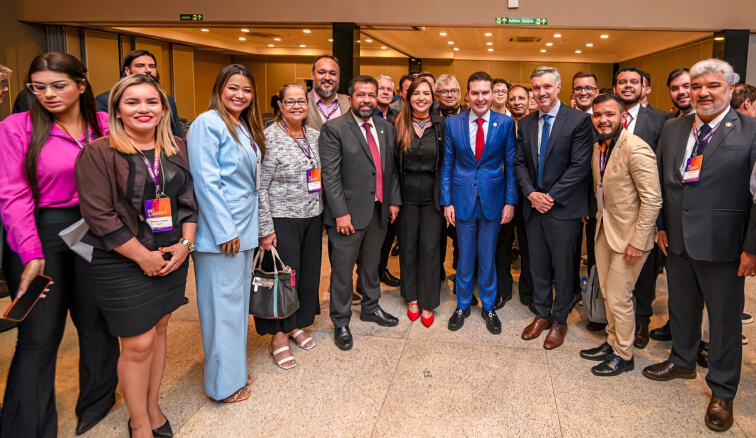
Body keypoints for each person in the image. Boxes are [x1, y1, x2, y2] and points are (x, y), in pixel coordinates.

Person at [0, 52, 119, 438]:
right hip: (41, 231)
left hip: (96, 230)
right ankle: (26, 428)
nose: (48, 94)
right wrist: (30, 253)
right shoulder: (17, 127)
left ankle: (97, 402)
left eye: (58, 85)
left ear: (81, 85)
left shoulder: (103, 124)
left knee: (97, 322)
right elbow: (13, 195)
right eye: (38, 86)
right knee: (38, 335)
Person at [77, 74, 197, 438]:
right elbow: (98, 216)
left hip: (172, 255)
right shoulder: (98, 152)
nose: (143, 109)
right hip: (121, 260)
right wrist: (142, 257)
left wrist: (185, 245)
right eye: (132, 102)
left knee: (160, 330)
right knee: (138, 342)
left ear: (163, 109)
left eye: (151, 102)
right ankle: (139, 422)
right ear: (117, 109)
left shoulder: (177, 146)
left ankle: (153, 406)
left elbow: (190, 201)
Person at [643, 59, 756, 432]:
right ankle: (682, 360)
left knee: (724, 322)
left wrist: (752, 248)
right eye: (696, 86)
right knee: (682, 306)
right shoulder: (674, 129)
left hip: (725, 245)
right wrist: (661, 226)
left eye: (713, 86)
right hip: (676, 238)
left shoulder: (751, 131)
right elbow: (661, 182)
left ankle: (723, 391)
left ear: (730, 89)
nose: (703, 93)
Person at [187, 64, 264, 403]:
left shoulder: (241, 124)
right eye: (233, 88)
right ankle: (222, 386)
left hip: (242, 229)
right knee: (221, 310)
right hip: (223, 234)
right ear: (219, 88)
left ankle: (230, 370)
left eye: (246, 90)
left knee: (234, 306)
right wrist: (224, 230)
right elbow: (206, 181)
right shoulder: (207, 123)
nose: (240, 95)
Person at [578, 93, 662, 376]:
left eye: (610, 114)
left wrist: (638, 242)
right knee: (607, 293)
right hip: (605, 230)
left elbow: (652, 200)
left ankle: (624, 355)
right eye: (598, 115)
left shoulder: (636, 149)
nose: (604, 119)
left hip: (630, 239)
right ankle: (612, 342)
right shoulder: (600, 147)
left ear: (623, 117)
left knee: (618, 296)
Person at [319, 75, 401, 351]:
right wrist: (340, 213)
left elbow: (390, 169)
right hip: (347, 216)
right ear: (350, 98)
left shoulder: (385, 127)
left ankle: (370, 307)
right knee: (342, 272)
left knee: (371, 265)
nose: (367, 100)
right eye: (361, 95)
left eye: (371, 95)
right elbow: (329, 176)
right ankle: (341, 321)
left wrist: (392, 201)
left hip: (378, 210)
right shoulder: (334, 128)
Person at [516, 66, 593, 350]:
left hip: (564, 208)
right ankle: (541, 314)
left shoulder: (579, 120)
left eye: (546, 87)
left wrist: (549, 196)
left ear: (559, 87)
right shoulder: (525, 123)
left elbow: (579, 166)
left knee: (563, 268)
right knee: (537, 264)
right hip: (534, 206)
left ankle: (560, 319)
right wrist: (531, 194)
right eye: (536, 88)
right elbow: (520, 163)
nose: (541, 92)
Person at [442, 71, 517, 334]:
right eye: (475, 93)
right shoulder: (453, 124)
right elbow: (448, 164)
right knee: (465, 256)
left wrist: (510, 202)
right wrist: (446, 201)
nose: (481, 98)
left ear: (492, 94)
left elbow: (511, 166)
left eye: (485, 92)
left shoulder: (505, 123)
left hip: (493, 201)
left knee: (488, 257)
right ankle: (462, 305)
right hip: (461, 199)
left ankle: (488, 306)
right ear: (467, 95)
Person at [256, 83, 323, 369]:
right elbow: (259, 187)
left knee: (307, 275)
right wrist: (265, 229)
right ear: (280, 105)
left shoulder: (315, 136)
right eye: (290, 101)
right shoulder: (269, 138)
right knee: (286, 279)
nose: (296, 106)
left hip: (313, 216)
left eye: (301, 101)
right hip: (282, 219)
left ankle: (296, 325)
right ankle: (279, 338)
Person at [612, 66, 668, 349]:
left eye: (634, 82)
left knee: (644, 270)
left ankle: (642, 320)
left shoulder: (660, 120)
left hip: (644, 208)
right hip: (611, 210)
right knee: (614, 270)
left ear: (645, 88)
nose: (628, 86)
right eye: (622, 82)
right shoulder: (605, 118)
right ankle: (614, 324)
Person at [395, 78, 446, 327]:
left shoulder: (441, 125)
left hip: (432, 199)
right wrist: (394, 200)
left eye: (426, 93)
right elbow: (392, 167)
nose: (421, 98)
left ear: (433, 97)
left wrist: (447, 201)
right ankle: (411, 297)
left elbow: (447, 164)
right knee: (407, 248)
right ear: (409, 96)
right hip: (405, 199)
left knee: (430, 249)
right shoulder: (397, 124)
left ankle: (428, 300)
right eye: (417, 93)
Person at [572, 71, 602, 330]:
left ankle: (598, 306)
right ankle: (576, 293)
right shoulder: (569, 120)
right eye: (578, 88)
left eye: (588, 88)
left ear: (596, 91)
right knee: (576, 251)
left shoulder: (604, 118)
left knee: (600, 257)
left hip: (606, 202)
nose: (583, 92)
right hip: (575, 200)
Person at [95, 50, 183, 138]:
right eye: (140, 66)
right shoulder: (106, 99)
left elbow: (176, 134)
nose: (148, 70)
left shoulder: (167, 100)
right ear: (127, 71)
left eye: (151, 66)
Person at [372, 75, 401, 287]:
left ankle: (381, 270)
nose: (384, 92)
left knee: (388, 233)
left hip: (390, 182)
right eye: (380, 88)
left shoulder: (396, 116)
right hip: (369, 186)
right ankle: (367, 279)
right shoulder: (364, 115)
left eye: (388, 89)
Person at [306, 55, 350, 131]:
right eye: (321, 72)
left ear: (338, 78)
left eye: (332, 73)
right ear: (313, 76)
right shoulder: (302, 102)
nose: (327, 78)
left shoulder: (349, 102)